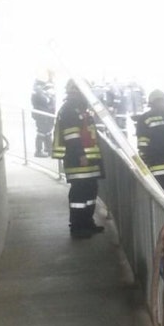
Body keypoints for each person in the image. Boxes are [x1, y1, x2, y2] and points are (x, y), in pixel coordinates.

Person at [52, 80, 105, 239]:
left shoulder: (80, 109)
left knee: (90, 192)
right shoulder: (70, 110)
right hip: (78, 162)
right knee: (80, 194)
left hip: (88, 162)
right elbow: (72, 136)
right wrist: (81, 155)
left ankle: (87, 222)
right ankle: (77, 226)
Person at [30, 77, 56, 157]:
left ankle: (49, 149)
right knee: (41, 132)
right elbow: (44, 101)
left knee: (47, 132)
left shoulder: (40, 89)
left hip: (45, 114)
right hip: (41, 114)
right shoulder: (38, 90)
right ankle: (39, 151)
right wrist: (49, 95)